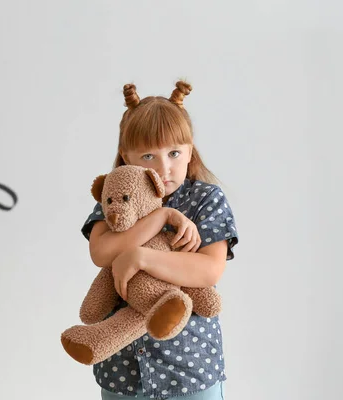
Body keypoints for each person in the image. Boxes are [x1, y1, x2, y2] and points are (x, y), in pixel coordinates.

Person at [81, 81, 239, 399]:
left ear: (190, 151)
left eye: (174, 153)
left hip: (190, 365)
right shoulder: (115, 196)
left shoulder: (205, 199)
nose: (164, 168)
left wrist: (140, 257)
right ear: (126, 155)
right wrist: (160, 217)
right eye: (149, 156)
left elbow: (208, 270)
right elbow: (100, 252)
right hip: (123, 368)